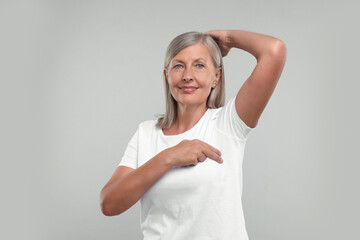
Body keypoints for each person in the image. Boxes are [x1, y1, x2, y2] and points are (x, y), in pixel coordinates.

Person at [100, 29, 287, 239]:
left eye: (199, 65)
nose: (188, 76)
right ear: (166, 75)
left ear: (216, 76)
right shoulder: (146, 133)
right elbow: (109, 203)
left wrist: (227, 39)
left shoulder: (228, 123)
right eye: (178, 66)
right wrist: (169, 157)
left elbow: (274, 51)